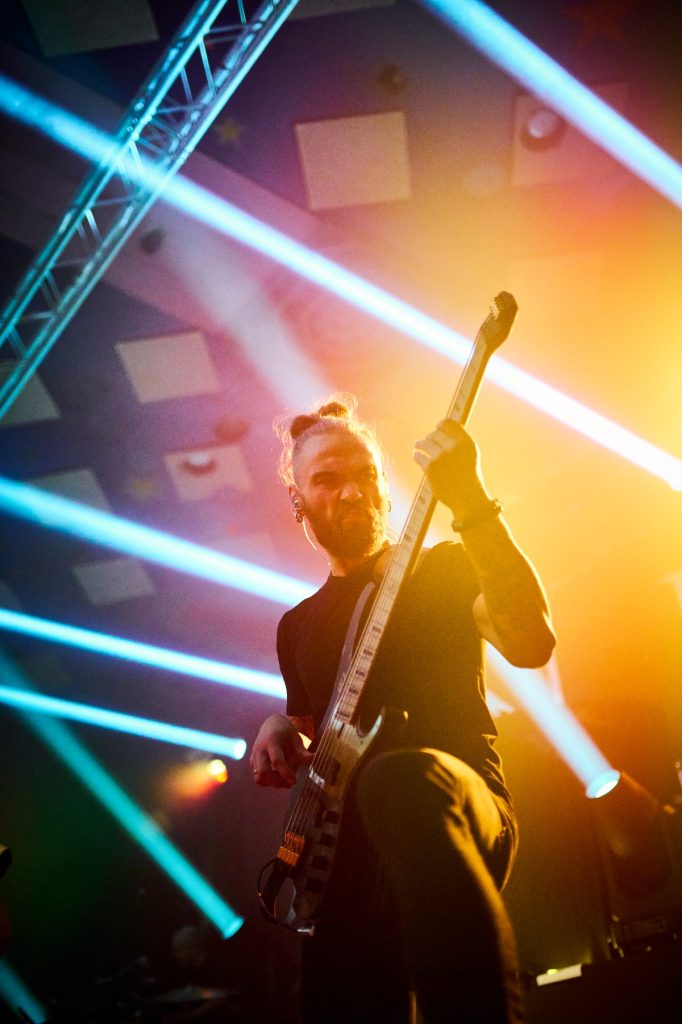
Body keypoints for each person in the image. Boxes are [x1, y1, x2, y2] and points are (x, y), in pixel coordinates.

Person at [250, 395, 555, 1024]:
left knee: (401, 780)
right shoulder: (296, 627)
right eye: (327, 479)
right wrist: (279, 725)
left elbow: (531, 642)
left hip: (454, 807)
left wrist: (469, 500)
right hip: (347, 866)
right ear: (298, 503)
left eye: (365, 473)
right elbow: (323, 741)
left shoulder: (441, 568)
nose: (353, 490)